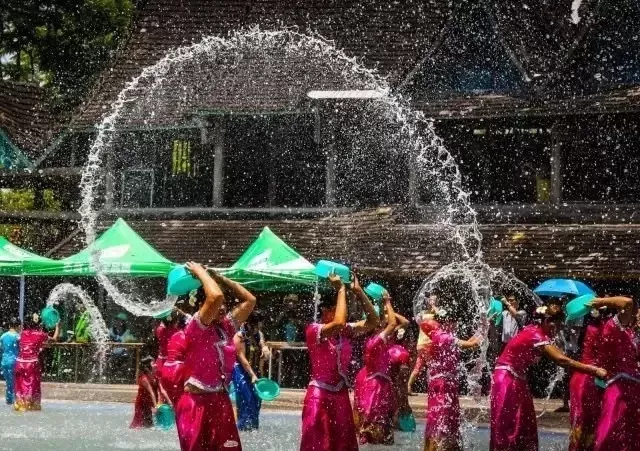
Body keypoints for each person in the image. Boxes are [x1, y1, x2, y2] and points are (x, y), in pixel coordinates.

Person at [490, 304, 606, 451]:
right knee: (508, 425)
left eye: (559, 324)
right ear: (544, 321)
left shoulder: (539, 333)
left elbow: (563, 356)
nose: (556, 327)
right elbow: (562, 360)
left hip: (518, 379)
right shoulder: (535, 334)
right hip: (506, 378)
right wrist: (594, 370)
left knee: (524, 423)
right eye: (553, 323)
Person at [176, 262, 255, 451]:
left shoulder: (226, 327)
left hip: (221, 401)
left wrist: (220, 278)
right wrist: (201, 273)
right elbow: (216, 296)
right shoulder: (196, 328)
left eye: (225, 305)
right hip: (196, 404)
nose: (222, 308)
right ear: (202, 306)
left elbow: (249, 300)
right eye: (218, 306)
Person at [300, 274, 378, 451]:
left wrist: (359, 292)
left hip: (340, 395)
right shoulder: (314, 331)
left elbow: (374, 321)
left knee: (343, 445)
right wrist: (341, 289)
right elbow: (338, 321)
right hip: (318, 395)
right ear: (326, 311)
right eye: (338, 308)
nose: (344, 312)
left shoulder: (344, 332)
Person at [421, 317, 481, 450]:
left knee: (439, 418)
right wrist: (484, 329)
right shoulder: (444, 337)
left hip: (442, 384)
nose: (457, 326)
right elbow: (472, 345)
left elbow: (469, 342)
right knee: (442, 419)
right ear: (448, 322)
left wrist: (480, 330)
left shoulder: (439, 337)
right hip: (444, 385)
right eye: (456, 322)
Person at [591, 296, 640, 450]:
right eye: (637, 312)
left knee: (631, 437)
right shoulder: (613, 326)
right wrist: (601, 301)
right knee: (610, 433)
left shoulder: (630, 333)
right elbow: (627, 302)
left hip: (633, 390)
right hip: (618, 390)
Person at [353, 292, 398, 445]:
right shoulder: (376, 340)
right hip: (376, 387)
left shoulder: (373, 339)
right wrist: (387, 302)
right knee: (374, 425)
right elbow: (393, 324)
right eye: (382, 321)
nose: (386, 322)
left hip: (377, 383)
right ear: (378, 324)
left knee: (376, 425)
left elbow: (393, 323)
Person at [569, 308, 610, 451]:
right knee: (590, 420)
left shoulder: (588, 327)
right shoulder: (603, 329)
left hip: (581, 377)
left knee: (581, 420)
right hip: (591, 378)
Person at [14, 313, 60, 411]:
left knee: (19, 384)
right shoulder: (39, 334)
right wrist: (57, 327)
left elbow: (29, 345)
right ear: (37, 324)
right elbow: (54, 340)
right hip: (31, 363)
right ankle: (31, 405)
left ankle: (20, 404)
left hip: (19, 363)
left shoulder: (22, 333)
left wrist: (40, 346)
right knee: (32, 384)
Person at [232, 312, 263, 431]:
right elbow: (242, 359)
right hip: (241, 372)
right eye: (256, 327)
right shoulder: (239, 337)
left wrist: (264, 349)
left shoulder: (258, 334)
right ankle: (242, 429)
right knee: (247, 400)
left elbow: (262, 343)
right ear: (248, 324)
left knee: (257, 401)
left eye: (259, 327)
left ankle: (254, 429)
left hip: (254, 372)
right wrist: (253, 375)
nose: (257, 330)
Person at [130, 356, 166, 429]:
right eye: (153, 363)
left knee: (148, 423)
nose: (156, 364)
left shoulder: (154, 376)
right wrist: (156, 407)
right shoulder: (144, 378)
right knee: (138, 424)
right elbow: (151, 392)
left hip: (147, 402)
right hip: (141, 403)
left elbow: (161, 391)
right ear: (148, 366)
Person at [160, 313, 188, 407]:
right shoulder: (186, 336)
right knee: (182, 401)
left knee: (170, 400)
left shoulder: (173, 335)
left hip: (166, 368)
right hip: (177, 370)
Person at [155, 311, 180, 380]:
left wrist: (164, 317)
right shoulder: (177, 332)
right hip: (172, 362)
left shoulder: (159, 330)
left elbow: (161, 326)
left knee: (160, 382)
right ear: (174, 321)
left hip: (161, 360)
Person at [0, 318, 20, 405]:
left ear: (9, 325)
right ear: (18, 326)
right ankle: (15, 402)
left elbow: (1, 349)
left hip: (4, 362)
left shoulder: (3, 336)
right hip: (14, 362)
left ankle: (9, 401)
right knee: (16, 383)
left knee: (9, 383)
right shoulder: (17, 337)